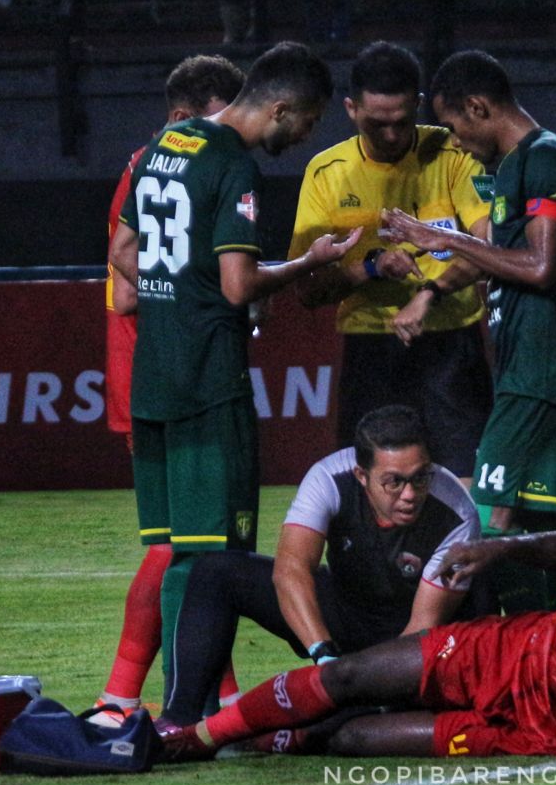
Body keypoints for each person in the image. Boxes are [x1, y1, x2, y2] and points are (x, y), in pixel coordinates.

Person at [107, 41, 361, 710]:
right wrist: (310, 262)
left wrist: (173, 296)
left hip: (154, 383)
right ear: (282, 107)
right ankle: (187, 714)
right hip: (208, 384)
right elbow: (239, 282)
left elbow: (121, 252)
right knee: (213, 559)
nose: (302, 137)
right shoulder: (232, 164)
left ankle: (181, 706)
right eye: (305, 125)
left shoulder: (165, 147)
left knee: (173, 551)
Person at [161, 475, 556, 765]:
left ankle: (260, 740)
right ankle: (199, 738)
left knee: (351, 739)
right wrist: (502, 550)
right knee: (347, 675)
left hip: (541, 727)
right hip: (507, 651)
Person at [380, 49, 556, 611]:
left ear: (478, 107)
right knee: (543, 526)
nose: (453, 141)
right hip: (530, 370)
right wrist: (432, 291)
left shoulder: (544, 157)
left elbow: (541, 266)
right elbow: (505, 258)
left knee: (493, 511)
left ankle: (470, 646)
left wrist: (446, 240)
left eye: (454, 126)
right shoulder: (514, 168)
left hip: (541, 372)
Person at [91, 54, 247, 724]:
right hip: (167, 374)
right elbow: (129, 293)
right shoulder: (161, 162)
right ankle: (118, 695)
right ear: (186, 117)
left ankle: (221, 697)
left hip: (157, 374)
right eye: (222, 117)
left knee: (198, 543)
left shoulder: (148, 163)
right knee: (183, 547)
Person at [160, 405, 482, 726]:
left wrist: (361, 686)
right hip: (343, 613)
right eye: (394, 482)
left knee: (481, 592)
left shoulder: (456, 513)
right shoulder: (329, 477)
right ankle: (178, 721)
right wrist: (326, 659)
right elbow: (291, 570)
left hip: (409, 636)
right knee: (216, 572)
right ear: (361, 475)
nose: (410, 494)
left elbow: (423, 625)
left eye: (420, 478)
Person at [289, 41, 493, 481]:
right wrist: (370, 268)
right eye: (376, 123)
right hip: (370, 349)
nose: (391, 136)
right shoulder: (327, 173)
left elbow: (488, 249)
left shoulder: (453, 154)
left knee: (465, 482)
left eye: (402, 123)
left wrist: (429, 293)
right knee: (370, 485)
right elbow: (308, 290)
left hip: (451, 343)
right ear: (350, 108)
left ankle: (465, 553)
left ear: (418, 106)